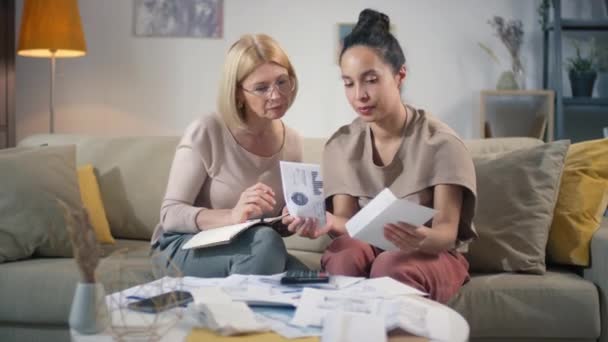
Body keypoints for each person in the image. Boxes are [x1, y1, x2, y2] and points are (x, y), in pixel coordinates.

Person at [289, 9, 477, 303]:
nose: (359, 95)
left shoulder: (441, 143)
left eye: (371, 80)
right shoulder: (341, 145)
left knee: (390, 265)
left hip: (427, 253)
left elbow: (446, 233)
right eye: (349, 83)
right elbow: (345, 224)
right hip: (365, 246)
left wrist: (421, 238)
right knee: (344, 256)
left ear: (400, 74)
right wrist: (325, 222)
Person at [151, 34, 309, 277]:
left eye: (282, 81)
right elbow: (170, 214)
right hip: (182, 245)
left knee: (313, 282)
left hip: (248, 245)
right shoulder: (207, 130)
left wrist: (290, 218)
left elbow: (274, 226)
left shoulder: (293, 142)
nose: (276, 95)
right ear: (237, 93)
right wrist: (233, 215)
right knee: (266, 244)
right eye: (261, 88)